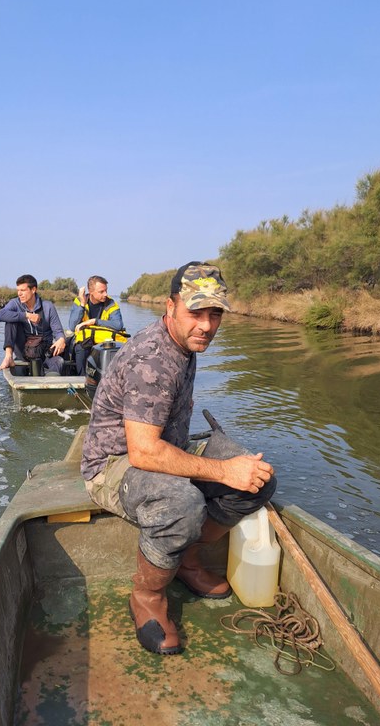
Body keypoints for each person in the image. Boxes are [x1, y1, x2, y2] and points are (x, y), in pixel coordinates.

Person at [80, 261, 277, 655]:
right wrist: (223, 470)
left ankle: (186, 560)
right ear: (170, 307)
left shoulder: (186, 343)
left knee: (259, 480)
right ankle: (147, 595)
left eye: (214, 314)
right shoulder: (152, 358)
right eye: (195, 312)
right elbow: (143, 452)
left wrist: (234, 470)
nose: (206, 325)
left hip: (166, 444)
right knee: (183, 504)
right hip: (113, 464)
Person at [0, 274, 66, 374]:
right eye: (18, 290)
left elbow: (58, 331)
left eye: (23, 290)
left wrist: (61, 339)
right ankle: (8, 357)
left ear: (33, 290)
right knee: (10, 320)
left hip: (44, 352)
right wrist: (26, 315)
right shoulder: (15, 303)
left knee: (59, 362)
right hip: (24, 351)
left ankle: (50, 378)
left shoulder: (48, 306)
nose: (19, 294)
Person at [68, 275, 126, 374]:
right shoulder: (79, 301)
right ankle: (81, 378)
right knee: (80, 348)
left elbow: (118, 325)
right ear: (91, 291)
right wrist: (82, 304)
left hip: (105, 342)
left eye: (106, 290)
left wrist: (95, 321)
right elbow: (73, 326)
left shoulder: (111, 304)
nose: (105, 294)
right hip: (85, 341)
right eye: (101, 292)